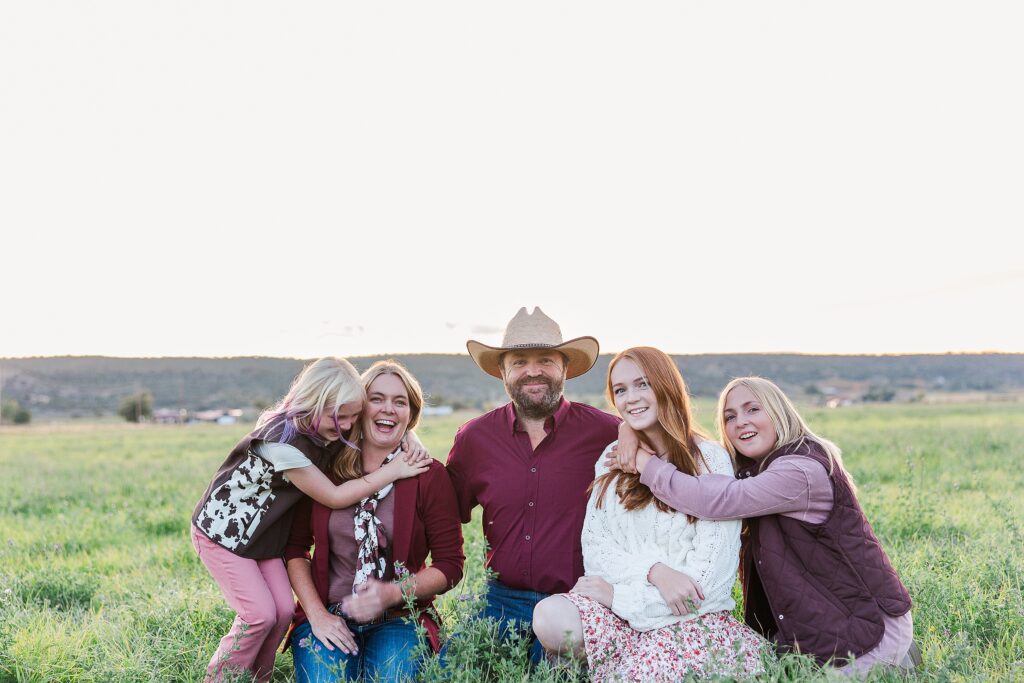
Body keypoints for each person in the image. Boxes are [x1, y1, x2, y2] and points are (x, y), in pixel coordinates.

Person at [611, 376, 918, 674]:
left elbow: (719, 500)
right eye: (730, 417)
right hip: (829, 621)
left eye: (753, 409)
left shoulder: (799, 471)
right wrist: (629, 428)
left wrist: (643, 463)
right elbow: (693, 463)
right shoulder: (759, 468)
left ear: (779, 412)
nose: (740, 421)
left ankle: (895, 661)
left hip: (866, 629)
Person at [532, 347, 767, 681]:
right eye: (621, 390)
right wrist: (654, 571)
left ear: (665, 385)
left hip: (693, 620)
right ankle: (627, 653)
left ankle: (629, 660)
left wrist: (618, 596)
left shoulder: (709, 460)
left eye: (642, 384)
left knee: (646, 670)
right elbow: (597, 550)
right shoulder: (612, 459)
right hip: (624, 610)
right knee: (550, 615)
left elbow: (709, 587)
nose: (631, 398)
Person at [191, 357, 430, 683]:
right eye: (340, 416)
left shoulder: (326, 430)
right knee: (259, 614)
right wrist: (395, 469)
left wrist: (409, 436)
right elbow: (333, 496)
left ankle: (261, 677)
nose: (347, 426)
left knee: (283, 612)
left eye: (352, 416)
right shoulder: (280, 445)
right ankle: (220, 677)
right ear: (313, 401)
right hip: (224, 536)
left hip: (263, 539)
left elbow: (379, 426)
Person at [446, 307, 620, 663]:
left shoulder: (608, 432)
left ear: (565, 368)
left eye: (545, 360)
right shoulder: (475, 439)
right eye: (519, 362)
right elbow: (444, 509)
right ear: (503, 372)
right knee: (446, 670)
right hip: (500, 601)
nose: (533, 371)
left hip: (575, 602)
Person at [285, 360, 465, 682]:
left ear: (411, 414)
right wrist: (316, 615)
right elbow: (296, 548)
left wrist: (392, 593)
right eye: (377, 398)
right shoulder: (323, 468)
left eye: (400, 402)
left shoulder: (428, 475)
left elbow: (450, 565)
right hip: (329, 612)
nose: (389, 409)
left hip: (400, 618)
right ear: (356, 407)